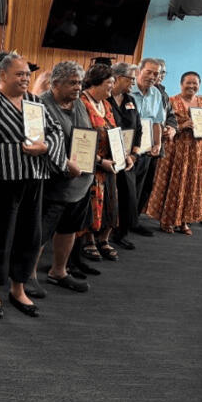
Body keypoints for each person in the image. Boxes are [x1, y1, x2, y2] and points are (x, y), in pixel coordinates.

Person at [0, 53, 66, 319]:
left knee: (30, 235)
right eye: (19, 74)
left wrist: (46, 147)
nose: (25, 78)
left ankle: (18, 287)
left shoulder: (35, 102)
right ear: (2, 75)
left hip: (34, 179)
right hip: (3, 180)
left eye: (27, 74)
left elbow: (55, 132)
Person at [28, 61, 91, 296]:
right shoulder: (39, 105)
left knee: (68, 229)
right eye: (72, 83)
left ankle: (58, 271)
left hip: (79, 183)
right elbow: (36, 143)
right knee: (40, 233)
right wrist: (65, 163)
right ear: (55, 83)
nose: (78, 87)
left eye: (80, 83)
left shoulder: (80, 104)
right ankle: (28, 276)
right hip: (52, 183)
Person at [145, 72, 202, 234]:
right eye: (188, 83)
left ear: (199, 85)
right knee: (174, 183)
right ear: (181, 84)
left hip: (197, 151)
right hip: (176, 149)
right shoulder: (172, 101)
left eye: (195, 83)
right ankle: (167, 220)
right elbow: (162, 125)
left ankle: (184, 221)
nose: (191, 86)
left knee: (191, 185)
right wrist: (182, 126)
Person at [76, 64, 130, 263]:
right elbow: (81, 139)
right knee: (92, 205)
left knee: (110, 202)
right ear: (95, 84)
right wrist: (100, 161)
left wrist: (125, 154)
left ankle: (103, 239)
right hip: (92, 164)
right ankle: (89, 239)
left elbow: (114, 131)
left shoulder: (105, 104)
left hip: (110, 163)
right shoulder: (82, 103)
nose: (111, 88)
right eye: (109, 84)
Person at [108, 63, 143, 250]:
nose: (133, 83)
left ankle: (121, 233)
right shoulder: (105, 99)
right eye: (130, 79)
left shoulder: (130, 99)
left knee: (128, 196)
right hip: (109, 157)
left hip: (128, 158)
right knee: (109, 197)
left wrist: (135, 153)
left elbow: (138, 128)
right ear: (118, 77)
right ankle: (99, 238)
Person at [129, 58, 166, 236]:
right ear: (139, 71)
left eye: (156, 74)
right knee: (123, 189)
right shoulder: (128, 90)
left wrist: (157, 144)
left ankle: (132, 223)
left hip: (145, 150)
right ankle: (112, 228)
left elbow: (157, 122)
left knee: (138, 188)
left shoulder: (156, 94)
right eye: (149, 72)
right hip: (126, 149)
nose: (152, 76)